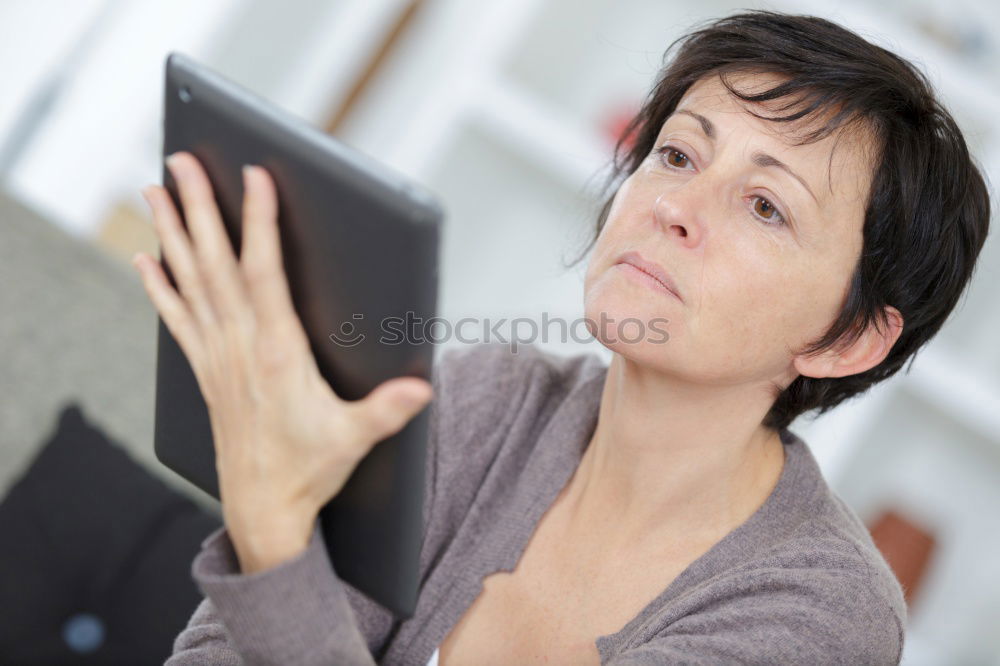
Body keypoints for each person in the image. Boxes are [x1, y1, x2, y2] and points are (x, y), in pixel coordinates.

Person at [131, 9, 990, 665]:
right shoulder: (490, 395)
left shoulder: (821, 609)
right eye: (680, 156)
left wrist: (277, 536)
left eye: (766, 207)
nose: (673, 208)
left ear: (847, 341)